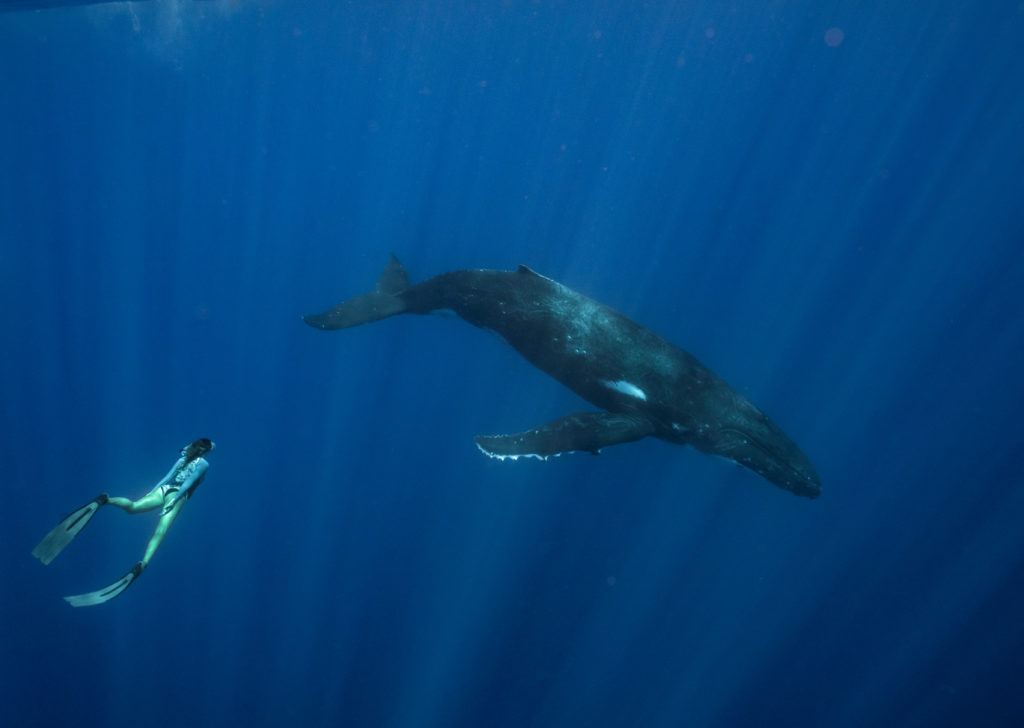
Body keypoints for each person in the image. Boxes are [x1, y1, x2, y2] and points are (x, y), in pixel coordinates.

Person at [32, 438, 215, 607]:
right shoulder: (203, 464)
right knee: (161, 530)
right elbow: (188, 483)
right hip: (177, 496)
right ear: (205, 450)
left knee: (133, 507)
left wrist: (151, 492)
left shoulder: (183, 459)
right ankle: (143, 563)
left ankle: (106, 500)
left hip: (163, 490)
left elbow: (166, 478)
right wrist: (174, 501)